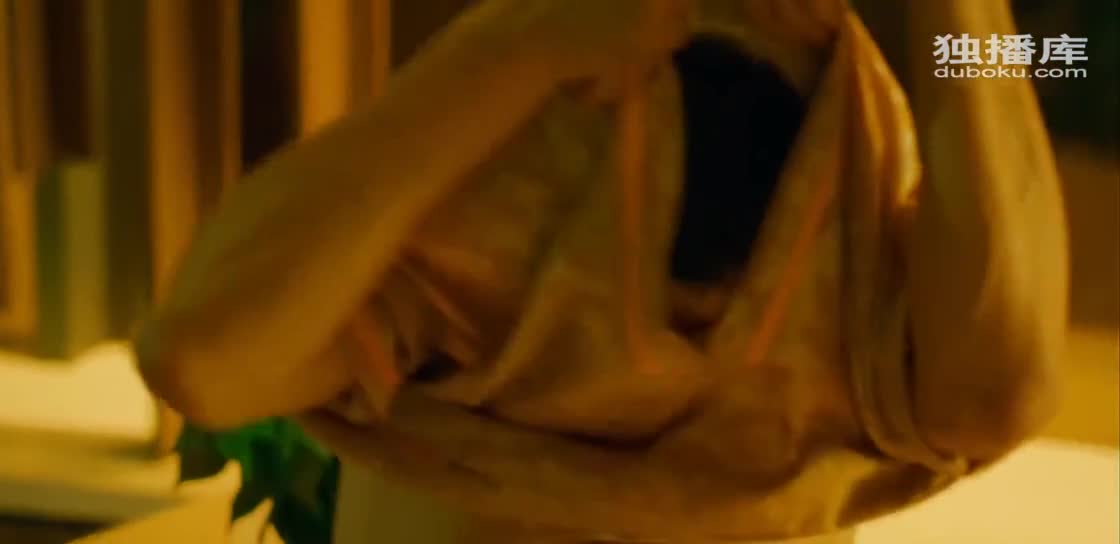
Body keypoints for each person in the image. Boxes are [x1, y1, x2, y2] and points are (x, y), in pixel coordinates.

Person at [136, 0, 1068, 542]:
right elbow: (205, 359)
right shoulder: (534, 129)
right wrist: (517, 47)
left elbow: (999, 389)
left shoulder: (857, 142)